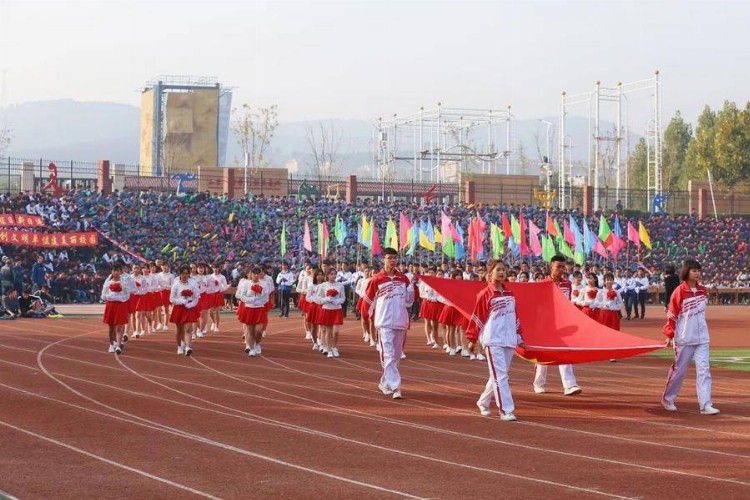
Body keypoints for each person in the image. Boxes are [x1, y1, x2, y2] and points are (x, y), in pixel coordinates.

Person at [466, 259, 525, 421]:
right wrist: (472, 339)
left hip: (509, 339)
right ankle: (506, 410)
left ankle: (483, 402)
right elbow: (477, 317)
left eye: (503, 270)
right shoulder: (486, 294)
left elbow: (515, 316)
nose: (501, 273)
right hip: (493, 339)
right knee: (501, 375)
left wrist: (519, 336)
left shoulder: (509, 293)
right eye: (498, 269)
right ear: (490, 273)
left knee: (500, 375)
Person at [661, 260, 720, 415]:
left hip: (702, 338)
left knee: (704, 370)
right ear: (686, 272)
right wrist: (669, 334)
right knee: (679, 371)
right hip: (684, 338)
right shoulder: (679, 291)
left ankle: (705, 404)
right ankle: (668, 399)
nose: (697, 273)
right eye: (694, 270)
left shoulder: (702, 291)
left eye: (699, 270)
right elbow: (672, 316)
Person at [362, 247, 415, 400]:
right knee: (389, 355)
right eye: (389, 258)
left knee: (397, 356)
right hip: (384, 323)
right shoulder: (377, 280)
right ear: (383, 259)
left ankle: (384, 383)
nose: (392, 261)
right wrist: (366, 317)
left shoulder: (403, 279)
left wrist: (411, 288)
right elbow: (368, 301)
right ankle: (396, 387)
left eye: (394, 258)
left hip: (400, 322)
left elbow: (409, 302)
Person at [533, 255, 583, 396]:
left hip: (563, 325)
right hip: (546, 324)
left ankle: (569, 385)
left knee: (565, 353)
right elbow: (537, 305)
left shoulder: (567, 284)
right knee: (543, 354)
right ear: (551, 267)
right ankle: (539, 383)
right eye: (558, 267)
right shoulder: (543, 284)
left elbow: (567, 303)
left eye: (563, 267)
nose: (561, 270)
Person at [236, 267, 271, 357]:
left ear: (260, 275)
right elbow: (242, 296)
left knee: (258, 330)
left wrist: (259, 300)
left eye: (257, 273)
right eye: (254, 273)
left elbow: (266, 297)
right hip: (249, 308)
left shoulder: (264, 284)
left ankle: (257, 343)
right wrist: (252, 300)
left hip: (259, 308)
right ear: (250, 274)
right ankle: (251, 348)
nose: (256, 275)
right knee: (249, 330)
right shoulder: (246, 284)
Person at [170, 265, 200, 356]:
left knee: (188, 328)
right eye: (183, 273)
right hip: (179, 308)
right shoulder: (176, 285)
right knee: (179, 330)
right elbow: (172, 299)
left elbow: (196, 297)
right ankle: (179, 346)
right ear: (180, 274)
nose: (185, 275)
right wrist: (181, 301)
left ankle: (188, 347)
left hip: (189, 308)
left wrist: (191, 304)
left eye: (187, 273)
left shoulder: (192, 284)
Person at [101, 264, 131, 354]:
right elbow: (103, 296)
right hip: (110, 305)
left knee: (120, 326)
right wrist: (111, 295)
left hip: (121, 305)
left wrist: (120, 290)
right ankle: (111, 344)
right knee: (111, 327)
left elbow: (127, 296)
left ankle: (118, 345)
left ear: (121, 272)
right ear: (112, 272)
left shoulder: (124, 282)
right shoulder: (108, 283)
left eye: (118, 271)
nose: (116, 272)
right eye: (114, 271)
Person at [318, 268, 346, 358]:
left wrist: (337, 301)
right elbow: (319, 298)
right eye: (331, 274)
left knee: (336, 331)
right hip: (327, 309)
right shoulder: (323, 285)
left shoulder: (340, 285)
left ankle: (334, 347)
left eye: (335, 274)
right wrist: (327, 299)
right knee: (328, 331)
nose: (333, 276)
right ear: (327, 275)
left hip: (337, 309)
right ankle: (329, 349)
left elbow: (343, 298)